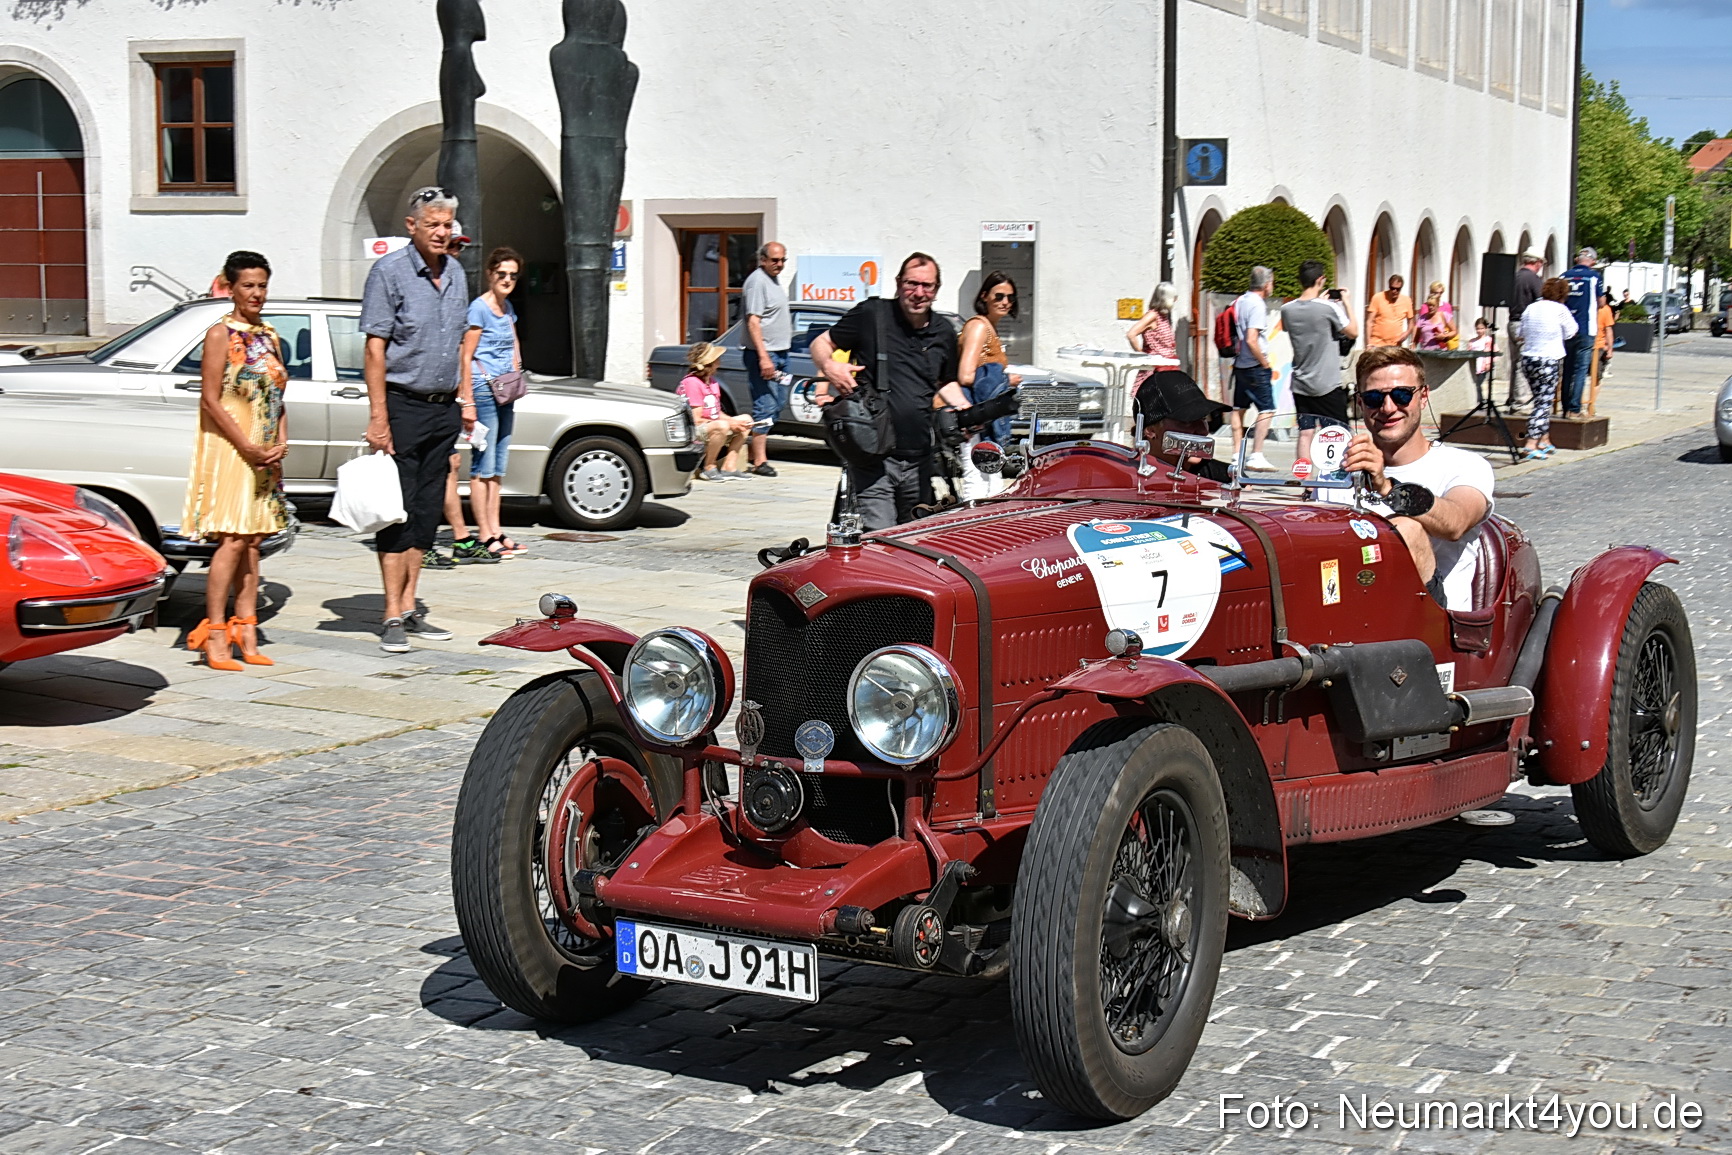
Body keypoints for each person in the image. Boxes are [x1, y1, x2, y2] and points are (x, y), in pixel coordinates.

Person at [359, 186, 471, 654]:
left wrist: (465, 400)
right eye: (434, 225)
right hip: (402, 404)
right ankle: (389, 613)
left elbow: (463, 344)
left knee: (427, 512)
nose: (443, 233)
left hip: (443, 407)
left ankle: (409, 607)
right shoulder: (389, 272)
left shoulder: (458, 274)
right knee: (397, 509)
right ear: (412, 226)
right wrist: (379, 417)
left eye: (448, 225)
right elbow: (374, 348)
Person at [181, 250, 290, 671]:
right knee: (232, 539)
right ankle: (214, 632)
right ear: (230, 287)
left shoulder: (271, 335)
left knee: (253, 543)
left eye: (262, 285)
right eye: (248, 285)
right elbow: (210, 397)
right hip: (233, 447)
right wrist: (245, 445)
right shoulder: (220, 334)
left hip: (264, 448)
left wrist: (281, 440)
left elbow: (279, 394)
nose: (257, 293)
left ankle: (247, 629)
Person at [810, 252, 967, 529]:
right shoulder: (872, 315)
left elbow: (947, 382)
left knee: (915, 539)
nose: (918, 293)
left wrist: (965, 411)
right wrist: (831, 367)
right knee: (880, 536)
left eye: (926, 286)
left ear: (936, 289)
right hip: (875, 455)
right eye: (911, 284)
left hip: (920, 458)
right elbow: (821, 343)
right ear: (898, 283)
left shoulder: (943, 331)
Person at [1333, 346, 1495, 612]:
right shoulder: (1340, 467)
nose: (1388, 408)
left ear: (1423, 397)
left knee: (1405, 530)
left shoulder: (1465, 465)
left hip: (1434, 624)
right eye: (1374, 398)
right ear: (1360, 403)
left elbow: (1455, 523)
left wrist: (1386, 487)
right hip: (1347, 619)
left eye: (1401, 395)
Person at [457, 245, 528, 558]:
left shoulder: (507, 306)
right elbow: (466, 354)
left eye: (512, 275)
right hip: (484, 389)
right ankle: (485, 533)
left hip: (505, 389)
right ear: (490, 274)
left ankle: (496, 529)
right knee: (482, 465)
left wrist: (517, 370)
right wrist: (467, 400)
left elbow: (512, 342)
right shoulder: (479, 308)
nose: (507, 279)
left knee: (498, 465)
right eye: (502, 274)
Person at [1281, 260, 1358, 469]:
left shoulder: (1287, 309)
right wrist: (1347, 302)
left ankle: (1304, 483)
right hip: (1327, 382)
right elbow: (1353, 331)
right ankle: (1337, 478)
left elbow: (1304, 325)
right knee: (1338, 432)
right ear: (1320, 280)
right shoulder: (1329, 307)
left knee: (1305, 433)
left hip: (1301, 382)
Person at [957, 271, 1023, 500]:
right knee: (976, 481)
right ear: (984, 296)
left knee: (991, 480)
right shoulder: (979, 327)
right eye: (999, 296)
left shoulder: (988, 328)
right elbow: (966, 375)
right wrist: (1007, 380)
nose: (1005, 302)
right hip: (975, 416)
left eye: (1010, 298)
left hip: (982, 416)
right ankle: (967, 531)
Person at [741, 242, 791, 476]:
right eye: (774, 260)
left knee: (778, 401)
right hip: (765, 355)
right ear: (762, 260)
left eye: (782, 260)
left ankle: (754, 450)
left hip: (781, 353)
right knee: (765, 404)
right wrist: (763, 358)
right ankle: (759, 462)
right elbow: (753, 321)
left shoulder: (773, 280)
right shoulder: (757, 282)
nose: (779, 264)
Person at [1516, 278, 1577, 460]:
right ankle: (1531, 443)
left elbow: (1520, 333)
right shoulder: (1560, 310)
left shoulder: (1531, 308)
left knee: (1540, 399)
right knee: (1543, 403)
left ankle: (1545, 439)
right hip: (1548, 359)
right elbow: (1572, 331)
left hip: (1528, 359)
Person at [1136, 370, 1232, 483]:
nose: (1202, 431)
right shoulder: (1127, 475)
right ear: (1150, 430)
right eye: (1187, 421)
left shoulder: (1227, 477)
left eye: (1203, 418)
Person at [678, 342, 752, 479]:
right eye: (716, 359)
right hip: (692, 429)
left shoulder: (712, 382)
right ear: (709, 364)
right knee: (722, 426)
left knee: (746, 420)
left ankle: (729, 466)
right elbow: (696, 419)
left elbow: (716, 412)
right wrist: (728, 424)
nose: (719, 362)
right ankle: (709, 466)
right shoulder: (692, 383)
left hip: (711, 424)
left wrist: (732, 421)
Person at [1229, 266, 1276, 472]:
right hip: (1255, 365)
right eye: (1272, 282)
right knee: (1267, 409)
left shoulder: (1239, 301)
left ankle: (1236, 453)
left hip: (1239, 364)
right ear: (1266, 285)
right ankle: (1256, 454)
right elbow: (1251, 339)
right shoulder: (1257, 305)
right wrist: (1264, 363)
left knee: (1239, 408)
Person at [1560, 247, 1604, 418]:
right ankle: (1574, 408)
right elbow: (1600, 302)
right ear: (1592, 261)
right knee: (1580, 370)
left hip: (1566, 328)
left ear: (1578, 259)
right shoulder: (1594, 277)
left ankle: (1564, 407)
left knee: (1567, 369)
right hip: (1586, 329)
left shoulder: (1564, 276)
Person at [1506, 254, 1545, 407]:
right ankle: (1520, 400)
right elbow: (1540, 302)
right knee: (1522, 364)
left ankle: (1512, 397)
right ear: (1537, 262)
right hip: (1525, 324)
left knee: (1515, 362)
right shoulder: (1533, 279)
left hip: (1512, 322)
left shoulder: (1514, 277)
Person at [1126, 282, 1180, 391]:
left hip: (1166, 366)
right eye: (1173, 297)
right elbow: (1131, 334)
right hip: (1155, 368)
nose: (1175, 300)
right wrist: (1142, 353)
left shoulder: (1162, 316)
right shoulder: (1152, 315)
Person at [1366, 274, 1415, 348]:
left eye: (1397, 289)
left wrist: (1407, 333)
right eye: (1392, 288)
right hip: (1377, 344)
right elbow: (1369, 322)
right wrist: (1368, 343)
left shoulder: (1406, 300)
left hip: (1395, 345)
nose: (1394, 291)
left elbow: (1411, 322)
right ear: (1389, 286)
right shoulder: (1378, 298)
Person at [1414, 281, 1458, 350]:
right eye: (1429, 305)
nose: (1430, 307)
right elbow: (1417, 330)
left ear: (1437, 305)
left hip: (1441, 351)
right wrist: (1413, 344)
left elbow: (1454, 330)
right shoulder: (1423, 315)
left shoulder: (1444, 313)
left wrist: (1444, 336)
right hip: (1426, 351)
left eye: (1440, 293)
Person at [1467, 317, 1494, 395]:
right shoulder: (1472, 341)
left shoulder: (1488, 340)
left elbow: (1489, 353)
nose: (1479, 331)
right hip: (1473, 365)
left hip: (1482, 365)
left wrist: (1488, 363)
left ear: (1485, 328)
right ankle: (1479, 400)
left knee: (1478, 383)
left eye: (1482, 328)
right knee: (1474, 384)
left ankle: (1480, 400)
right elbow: (1468, 352)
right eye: (1478, 329)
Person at [1595, 291, 1616, 385]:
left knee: (1597, 376)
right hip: (1586, 344)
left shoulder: (1606, 309)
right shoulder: (1589, 307)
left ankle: (1592, 399)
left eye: (1604, 297)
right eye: (1600, 296)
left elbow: (1608, 330)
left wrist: (1610, 349)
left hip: (1599, 346)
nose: (1602, 299)